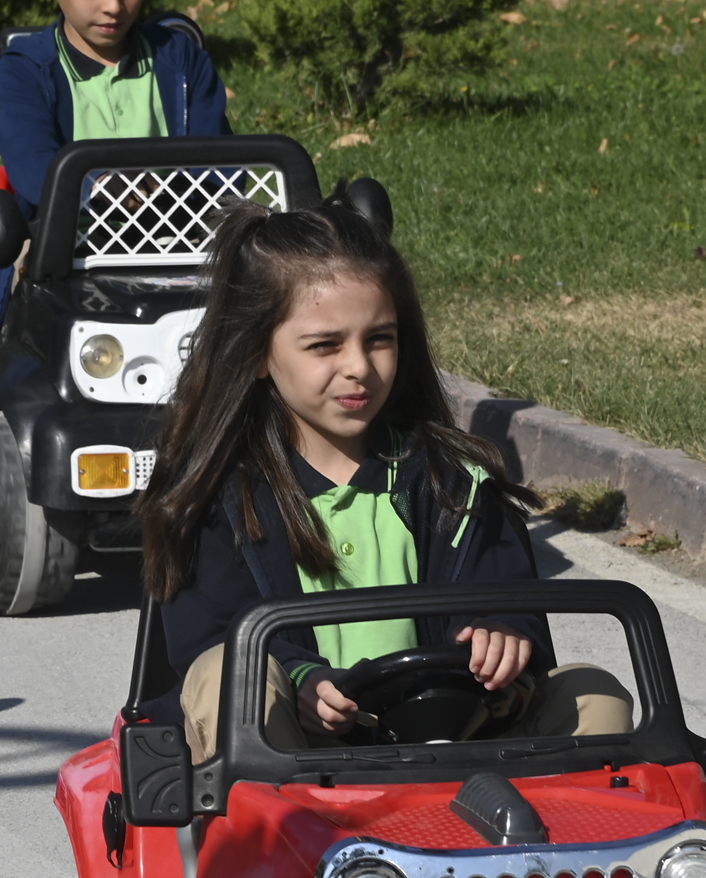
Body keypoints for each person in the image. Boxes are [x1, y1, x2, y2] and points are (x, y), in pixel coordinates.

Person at [139, 203, 632, 760]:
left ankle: (569, 845)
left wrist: (500, 632)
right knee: (228, 673)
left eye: (379, 338)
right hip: (293, 763)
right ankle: (265, 838)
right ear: (257, 353)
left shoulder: (454, 484)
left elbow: (504, 595)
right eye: (325, 345)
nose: (359, 366)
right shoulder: (218, 499)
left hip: (455, 745)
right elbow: (208, 637)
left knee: (595, 693)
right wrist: (300, 680)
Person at [0, 0, 228, 332]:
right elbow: (33, 165)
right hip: (64, 246)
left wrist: (164, 199)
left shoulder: (180, 59)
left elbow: (217, 160)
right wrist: (109, 193)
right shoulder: (25, 68)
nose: (114, 5)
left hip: (176, 238)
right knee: (22, 266)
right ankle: (6, 352)